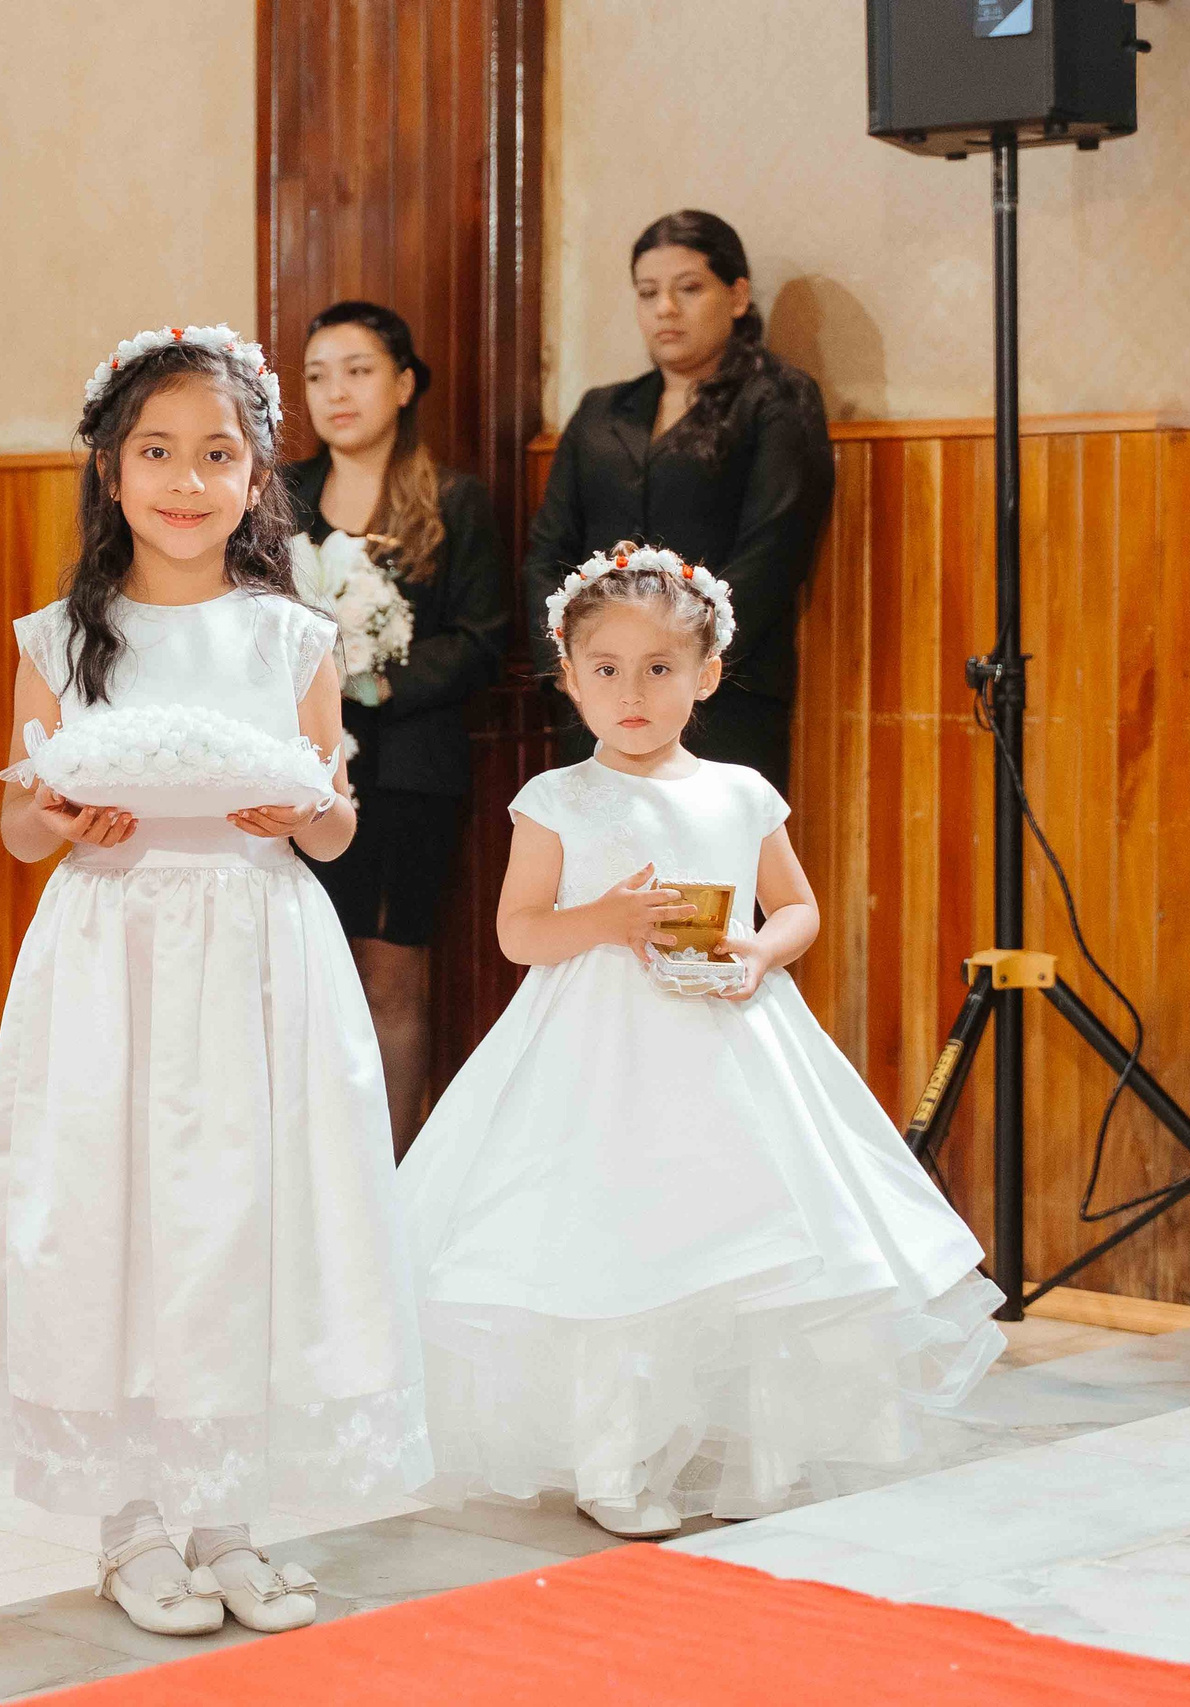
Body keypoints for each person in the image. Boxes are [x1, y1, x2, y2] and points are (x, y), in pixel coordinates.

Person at [0, 323, 429, 1639]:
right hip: (112, 949)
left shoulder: (293, 635)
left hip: (256, 944)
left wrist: (304, 813)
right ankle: (129, 1524)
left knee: (239, 1217)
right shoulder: (62, 636)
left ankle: (227, 1518)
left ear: (256, 475)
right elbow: (21, 826)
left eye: (216, 455)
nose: (185, 480)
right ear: (111, 472)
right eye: (155, 452)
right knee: (111, 1212)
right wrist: (60, 814)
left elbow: (335, 822)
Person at [399, 545, 1003, 1539]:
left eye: (659, 668)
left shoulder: (740, 792)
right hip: (598, 1056)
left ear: (707, 675)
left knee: (754, 1237)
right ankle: (610, 1459)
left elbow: (797, 905)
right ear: (570, 677)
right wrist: (603, 918)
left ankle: (756, 1452)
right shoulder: (556, 798)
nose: (632, 694)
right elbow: (518, 932)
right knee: (610, 1241)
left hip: (731, 1044)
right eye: (606, 670)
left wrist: (761, 950)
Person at [286, 301, 508, 1155]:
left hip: (411, 771)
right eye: (317, 376)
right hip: (302, 768)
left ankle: (390, 1177)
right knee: (307, 974)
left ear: (405, 383)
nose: (335, 392)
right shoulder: (280, 497)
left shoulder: (453, 499)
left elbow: (482, 642)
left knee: (388, 973)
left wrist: (370, 683)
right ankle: (316, 1174)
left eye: (358, 371)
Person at [524, 210, 834, 797]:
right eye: (648, 293)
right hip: (597, 696)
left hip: (720, 694)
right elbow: (548, 549)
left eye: (688, 288)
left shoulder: (777, 398)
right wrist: (572, 667)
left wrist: (679, 666)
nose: (665, 308)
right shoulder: (600, 410)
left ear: (737, 295)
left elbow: (773, 552)